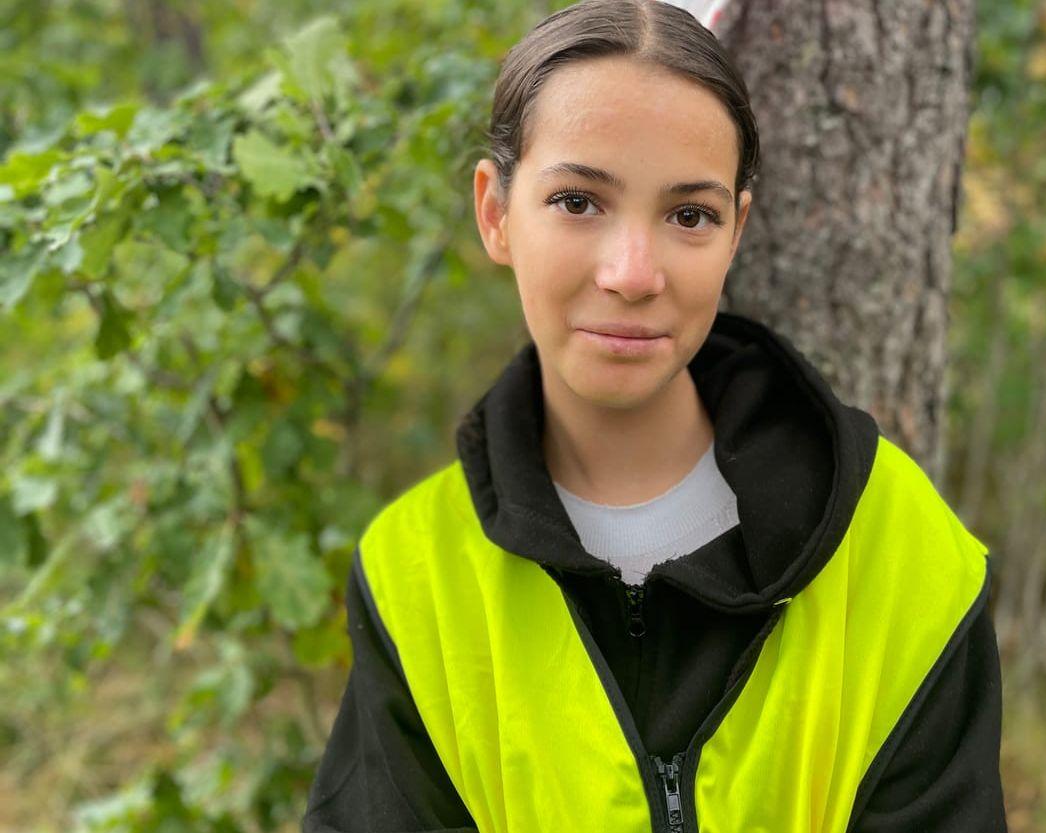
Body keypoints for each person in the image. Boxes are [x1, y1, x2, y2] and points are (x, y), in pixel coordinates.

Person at [301, 1, 1006, 830]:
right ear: (495, 211)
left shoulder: (901, 547)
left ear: (736, 231)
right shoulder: (412, 576)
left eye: (688, 216)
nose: (632, 273)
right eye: (577, 201)